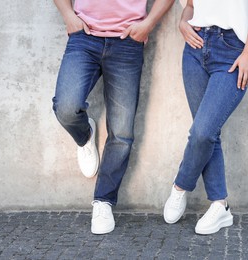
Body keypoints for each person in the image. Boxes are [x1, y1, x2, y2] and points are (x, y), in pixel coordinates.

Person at [52, 0, 174, 234]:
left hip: (127, 42)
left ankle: (103, 201)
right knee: (66, 107)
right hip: (84, 36)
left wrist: (148, 24)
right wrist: (68, 15)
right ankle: (84, 135)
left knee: (122, 132)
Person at [163, 0, 248, 235]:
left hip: (233, 50)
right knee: (209, 133)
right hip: (195, 48)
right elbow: (190, 6)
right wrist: (183, 22)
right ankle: (220, 205)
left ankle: (181, 185)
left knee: (202, 132)